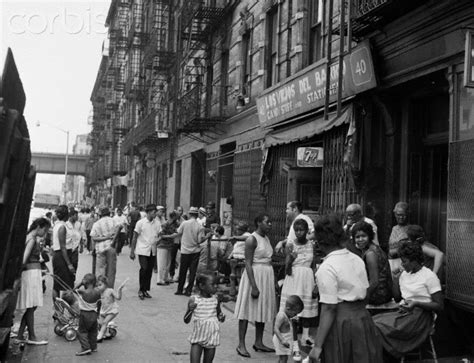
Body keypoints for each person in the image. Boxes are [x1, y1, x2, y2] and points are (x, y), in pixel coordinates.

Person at [308, 215, 383, 363]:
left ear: (320, 242)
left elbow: (329, 308)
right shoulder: (357, 259)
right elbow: (366, 290)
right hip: (362, 319)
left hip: (340, 322)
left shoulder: (327, 267)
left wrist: (317, 346)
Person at [373, 240, 443, 358]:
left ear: (414, 261)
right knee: (372, 322)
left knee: (378, 327)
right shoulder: (404, 274)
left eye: (404, 261)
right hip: (404, 311)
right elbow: (397, 298)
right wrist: (395, 280)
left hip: (421, 317)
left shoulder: (429, 276)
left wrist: (416, 303)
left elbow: (439, 306)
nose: (402, 264)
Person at [235, 213, 276, 358]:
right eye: (267, 222)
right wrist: (253, 285)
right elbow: (247, 262)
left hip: (265, 275)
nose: (270, 224)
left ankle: (259, 342)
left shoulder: (266, 238)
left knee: (262, 309)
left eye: (270, 222)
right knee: (246, 310)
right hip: (254, 275)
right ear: (259, 223)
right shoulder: (251, 239)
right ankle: (241, 344)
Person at [279, 219, 318, 354]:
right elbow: (287, 269)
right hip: (294, 278)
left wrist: (315, 283)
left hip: (307, 278)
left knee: (307, 309)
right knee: (293, 309)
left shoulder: (311, 245)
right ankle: (292, 338)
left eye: (301, 230)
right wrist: (291, 259)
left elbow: (314, 265)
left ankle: (305, 336)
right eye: (296, 230)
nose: (299, 232)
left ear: (307, 231)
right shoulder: (290, 245)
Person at [15, 218, 51, 345]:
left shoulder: (29, 237)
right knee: (32, 305)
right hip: (31, 274)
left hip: (31, 273)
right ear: (39, 227)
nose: (45, 233)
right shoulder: (31, 239)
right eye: (45, 230)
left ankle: (20, 334)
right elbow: (24, 259)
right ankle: (32, 336)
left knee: (31, 305)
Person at [184, 273, 226, 363]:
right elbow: (186, 320)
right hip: (198, 337)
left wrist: (221, 317)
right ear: (202, 286)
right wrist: (190, 310)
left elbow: (219, 314)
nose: (215, 287)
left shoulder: (216, 299)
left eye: (216, 284)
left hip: (211, 336)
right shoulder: (194, 300)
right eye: (212, 284)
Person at [351, 221, 393, 305]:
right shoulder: (373, 248)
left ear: (369, 236)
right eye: (357, 237)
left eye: (363, 236)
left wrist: (364, 298)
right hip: (384, 293)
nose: (360, 240)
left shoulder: (370, 254)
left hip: (379, 296)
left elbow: (374, 282)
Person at [130, 204, 160, 300]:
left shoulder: (157, 223)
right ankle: (141, 289)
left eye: (156, 212)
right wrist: (132, 251)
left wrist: (158, 240)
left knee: (149, 270)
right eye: (154, 212)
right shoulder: (140, 223)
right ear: (148, 212)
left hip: (152, 249)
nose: (155, 214)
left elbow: (160, 234)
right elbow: (134, 236)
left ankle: (145, 290)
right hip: (142, 249)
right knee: (144, 268)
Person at [175, 207, 204, 296]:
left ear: (190, 214)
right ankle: (188, 290)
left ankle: (179, 290)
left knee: (182, 271)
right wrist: (206, 237)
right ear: (197, 215)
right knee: (192, 272)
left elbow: (178, 232)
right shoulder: (200, 226)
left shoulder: (184, 223)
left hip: (185, 250)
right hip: (195, 251)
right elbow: (199, 241)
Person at [90, 207, 119, 288]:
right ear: (109, 214)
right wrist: (112, 239)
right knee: (111, 271)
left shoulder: (97, 223)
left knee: (100, 270)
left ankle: (100, 289)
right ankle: (110, 289)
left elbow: (94, 238)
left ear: (100, 215)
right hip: (111, 247)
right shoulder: (114, 221)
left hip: (100, 248)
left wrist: (104, 238)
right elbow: (119, 229)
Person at [52, 205, 75, 301]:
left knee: (57, 283)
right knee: (64, 284)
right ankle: (60, 307)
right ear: (66, 216)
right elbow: (63, 247)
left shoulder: (56, 225)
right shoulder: (62, 227)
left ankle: (57, 308)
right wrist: (69, 264)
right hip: (62, 256)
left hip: (58, 255)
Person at [74, 273, 101, 356]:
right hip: (94, 314)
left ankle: (85, 348)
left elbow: (73, 290)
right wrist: (98, 313)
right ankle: (93, 347)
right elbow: (99, 303)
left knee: (82, 331)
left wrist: (80, 283)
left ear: (86, 282)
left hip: (84, 314)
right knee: (93, 331)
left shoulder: (83, 292)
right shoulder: (97, 292)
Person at [273, 295, 304, 363]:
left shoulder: (287, 315)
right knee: (284, 358)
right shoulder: (281, 316)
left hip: (285, 339)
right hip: (281, 340)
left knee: (282, 357)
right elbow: (275, 328)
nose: (296, 315)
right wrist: (282, 340)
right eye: (295, 313)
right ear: (288, 309)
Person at [96, 275, 128, 342]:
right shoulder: (99, 292)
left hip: (112, 310)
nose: (98, 287)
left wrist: (119, 290)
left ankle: (99, 337)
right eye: (97, 285)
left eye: (100, 285)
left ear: (105, 284)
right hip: (104, 311)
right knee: (100, 323)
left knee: (105, 322)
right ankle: (107, 333)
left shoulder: (110, 291)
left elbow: (118, 298)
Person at [156, 211, 180, 285]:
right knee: (161, 263)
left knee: (168, 263)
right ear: (172, 217)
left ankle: (165, 277)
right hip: (162, 245)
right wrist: (170, 236)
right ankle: (160, 279)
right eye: (176, 217)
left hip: (170, 245)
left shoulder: (176, 224)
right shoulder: (165, 225)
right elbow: (161, 235)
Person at [388, 202, 410, 275]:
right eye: (398, 215)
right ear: (395, 215)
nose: (401, 217)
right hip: (392, 262)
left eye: (403, 215)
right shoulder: (394, 228)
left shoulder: (411, 229)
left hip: (403, 264)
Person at [169, 206, 186, 282]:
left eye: (181, 211)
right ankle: (171, 275)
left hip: (181, 241)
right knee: (172, 258)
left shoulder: (184, 221)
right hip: (174, 240)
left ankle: (180, 276)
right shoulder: (172, 220)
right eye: (179, 210)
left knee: (182, 258)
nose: (180, 212)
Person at [65, 208, 82, 274]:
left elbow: (81, 234)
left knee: (75, 263)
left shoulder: (78, 224)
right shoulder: (66, 224)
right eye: (76, 215)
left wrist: (82, 245)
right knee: (67, 263)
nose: (77, 217)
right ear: (71, 216)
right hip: (67, 246)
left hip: (75, 247)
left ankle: (73, 277)